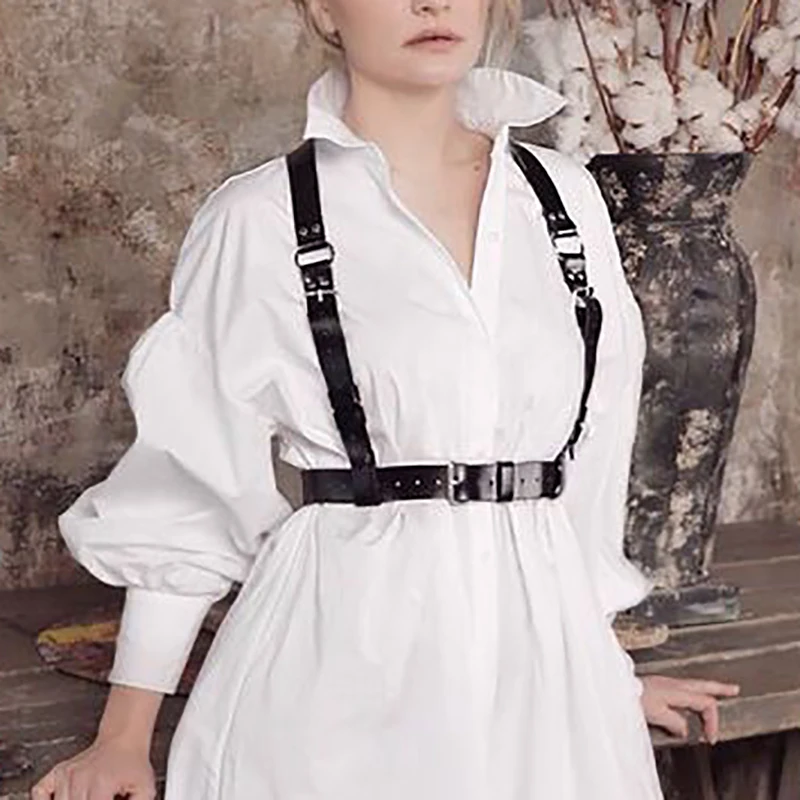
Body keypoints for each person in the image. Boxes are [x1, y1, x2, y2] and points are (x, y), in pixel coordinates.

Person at [31, 0, 741, 798]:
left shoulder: (564, 202)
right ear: (323, 10)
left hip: (544, 693)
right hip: (337, 679)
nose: (432, 4)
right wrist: (122, 740)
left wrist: (601, 674)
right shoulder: (262, 217)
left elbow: (589, 469)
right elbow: (188, 487)